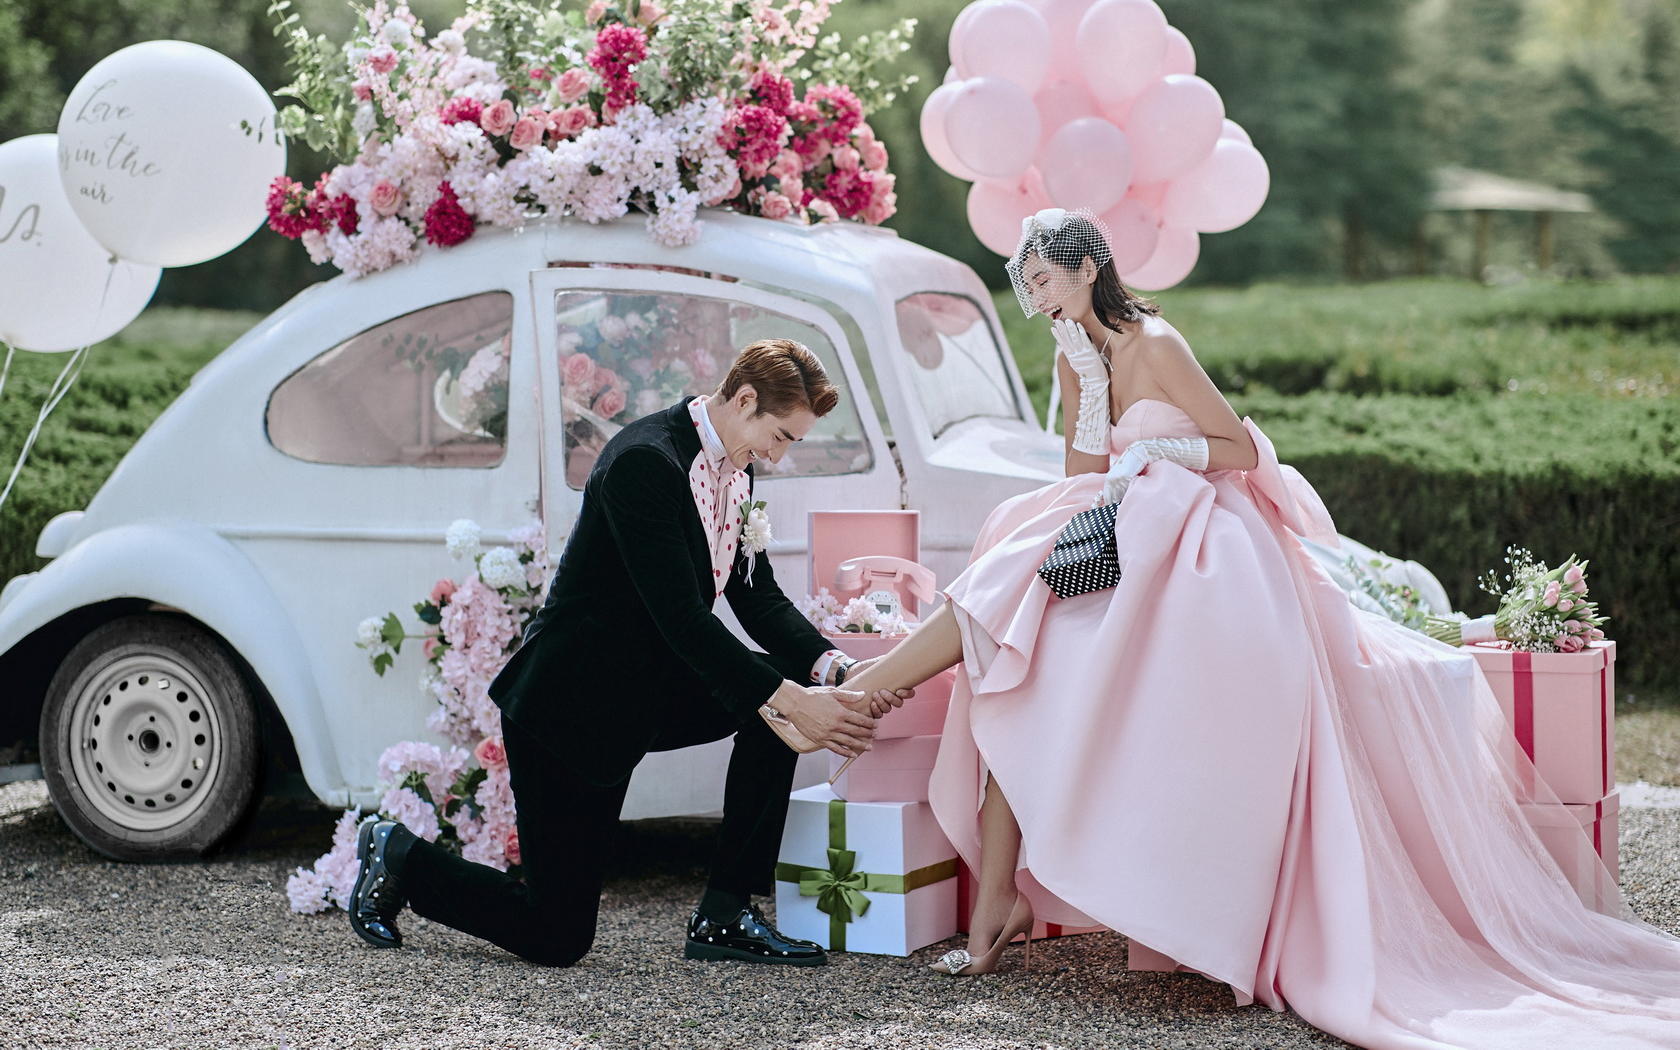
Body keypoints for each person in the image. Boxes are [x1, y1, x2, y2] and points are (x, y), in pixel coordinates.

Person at [841, 209, 1680, 1047]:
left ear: (1089, 268)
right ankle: (992, 882)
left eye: (1047, 284)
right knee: (1018, 609)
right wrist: (1087, 391)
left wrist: (1149, 461)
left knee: (1031, 608)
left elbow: (1236, 450)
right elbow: (1082, 480)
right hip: (1121, 536)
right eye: (1030, 291)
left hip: (1201, 535)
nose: (1041, 302)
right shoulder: (1079, 359)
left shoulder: (1158, 345)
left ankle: (864, 702)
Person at [346, 338, 907, 967]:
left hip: (647, 690)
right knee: (557, 935)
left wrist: (839, 669)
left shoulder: (738, 466)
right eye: (780, 436)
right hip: (568, 707)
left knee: (772, 709)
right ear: (744, 399)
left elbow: (756, 597)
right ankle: (397, 852)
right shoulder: (645, 462)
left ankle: (724, 915)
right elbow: (684, 622)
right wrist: (798, 703)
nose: (778, 456)